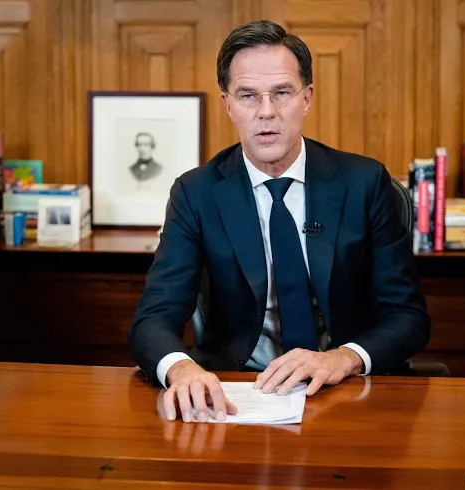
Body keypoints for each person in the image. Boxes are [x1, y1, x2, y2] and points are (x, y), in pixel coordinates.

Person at [128, 20, 430, 423]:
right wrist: (181, 369)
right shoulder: (196, 193)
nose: (266, 112)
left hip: (346, 391)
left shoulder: (364, 183)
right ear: (228, 104)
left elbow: (409, 317)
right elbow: (153, 318)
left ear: (307, 98)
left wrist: (343, 358)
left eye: (282, 93)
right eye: (248, 96)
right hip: (238, 392)